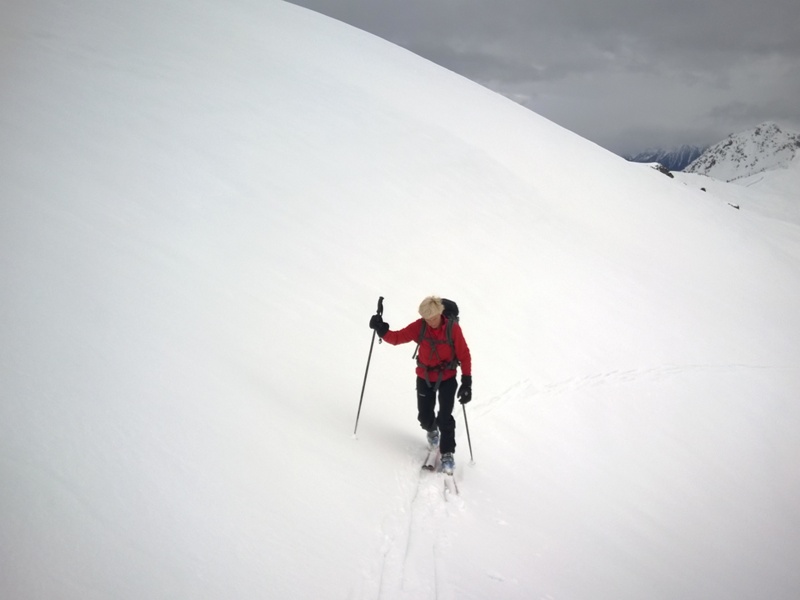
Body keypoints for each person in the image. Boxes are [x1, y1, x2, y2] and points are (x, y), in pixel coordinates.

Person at [369, 296, 472, 474]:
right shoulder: (420, 326)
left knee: (445, 417)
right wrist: (381, 329)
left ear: (440, 313)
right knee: (424, 418)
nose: (430, 322)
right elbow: (397, 338)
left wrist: (466, 382)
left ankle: (447, 452)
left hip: (447, 377)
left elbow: (464, 355)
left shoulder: (452, 329)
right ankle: (432, 432)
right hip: (424, 376)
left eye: (433, 318)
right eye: (427, 318)